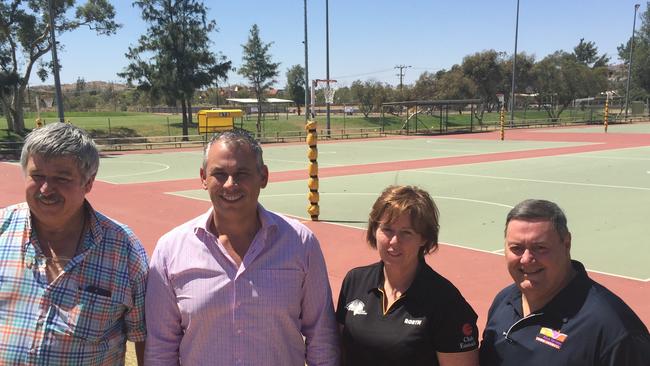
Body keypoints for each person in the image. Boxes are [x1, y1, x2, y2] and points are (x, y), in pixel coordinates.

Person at [144, 129, 339, 365]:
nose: (230, 184)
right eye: (219, 174)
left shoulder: (300, 244)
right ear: (203, 178)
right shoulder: (170, 251)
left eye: (242, 173)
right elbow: (161, 348)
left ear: (263, 176)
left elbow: (321, 338)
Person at [0, 123, 148, 365]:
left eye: (61, 178)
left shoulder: (124, 249)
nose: (46, 189)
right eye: (37, 176)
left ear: (88, 183)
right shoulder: (2, 228)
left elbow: (145, 338)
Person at [480, 199, 650, 365]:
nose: (526, 259)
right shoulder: (503, 301)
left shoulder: (613, 329)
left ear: (566, 244)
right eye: (516, 248)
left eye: (540, 248)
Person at [336, 185, 479, 366]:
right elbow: (338, 351)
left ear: (424, 238)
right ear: (374, 230)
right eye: (387, 229)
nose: (394, 241)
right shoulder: (355, 281)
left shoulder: (446, 301)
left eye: (406, 232)